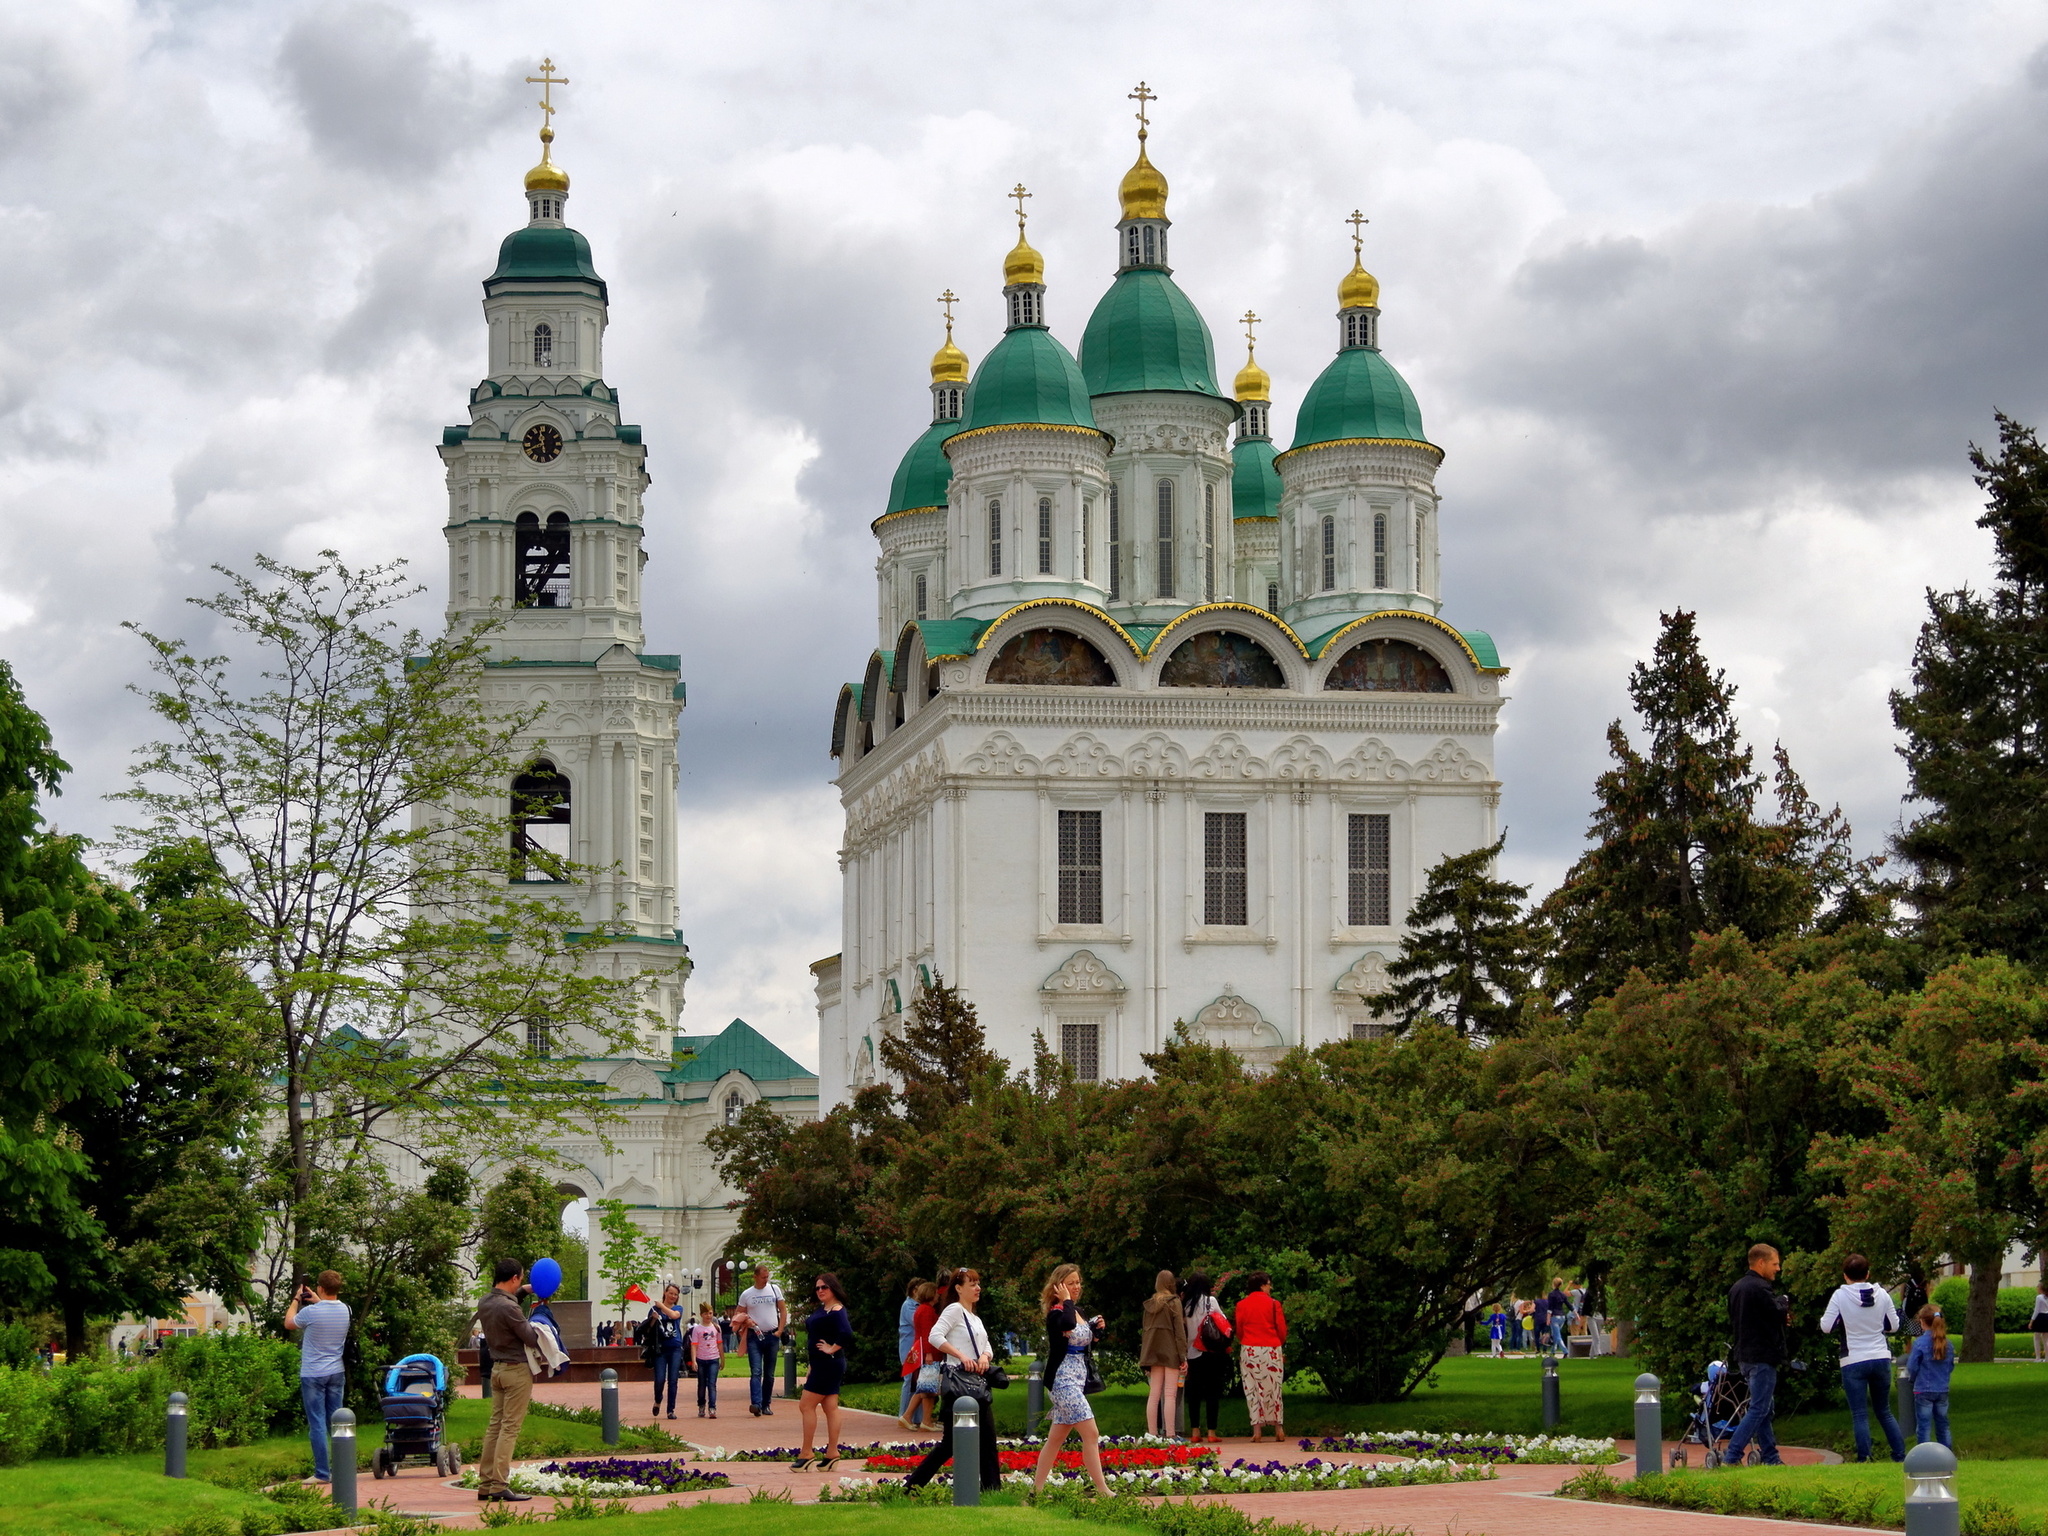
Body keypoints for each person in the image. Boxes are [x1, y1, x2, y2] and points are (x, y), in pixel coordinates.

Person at [904, 1267, 1001, 1494]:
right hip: (959, 1383)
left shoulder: (974, 1317)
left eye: (978, 1283)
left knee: (987, 1439)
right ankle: (911, 1487)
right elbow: (934, 1336)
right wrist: (961, 1355)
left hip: (976, 1382)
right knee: (950, 1443)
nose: (978, 1288)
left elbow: (985, 1344)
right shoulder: (954, 1310)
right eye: (972, 1284)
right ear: (958, 1288)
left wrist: (985, 1357)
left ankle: (992, 1491)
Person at [1030, 1264, 1115, 1498]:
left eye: (1078, 1282)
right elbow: (1067, 1325)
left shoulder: (1077, 1311)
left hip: (1078, 1379)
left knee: (1055, 1439)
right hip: (1062, 1381)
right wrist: (1066, 1301)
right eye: (1071, 1283)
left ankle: (1035, 1491)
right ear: (1058, 1287)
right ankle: (1102, 1489)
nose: (1076, 1287)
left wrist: (1097, 1330)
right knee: (1091, 1433)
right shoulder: (1057, 1313)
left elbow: (1085, 1339)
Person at [1819, 1253, 1905, 1463]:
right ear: (1868, 1273)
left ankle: (1865, 1457)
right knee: (1884, 1411)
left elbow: (1826, 1327)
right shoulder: (1882, 1294)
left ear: (1845, 1276)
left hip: (1853, 1359)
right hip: (1880, 1356)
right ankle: (1900, 1455)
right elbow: (1894, 1326)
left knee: (1859, 1414)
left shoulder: (1840, 1296)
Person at [474, 1260, 541, 1503]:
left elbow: (507, 1305)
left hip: (497, 1370)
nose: (521, 1282)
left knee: (495, 1426)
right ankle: (499, 1485)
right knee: (510, 1428)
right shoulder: (509, 1309)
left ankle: (485, 1483)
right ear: (514, 1278)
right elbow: (531, 1338)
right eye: (520, 1279)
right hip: (516, 1371)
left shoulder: (485, 1301)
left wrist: (525, 1291)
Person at [1724, 1243, 1791, 1467]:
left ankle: (1771, 1457)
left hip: (1744, 1355)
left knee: (1764, 1407)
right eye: (1775, 1263)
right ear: (1761, 1263)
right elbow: (1775, 1311)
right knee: (1759, 1408)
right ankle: (1732, 1455)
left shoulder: (1737, 1288)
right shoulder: (1760, 1288)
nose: (1778, 1268)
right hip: (1762, 1356)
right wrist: (1783, 1301)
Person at [284, 1270, 350, 1485]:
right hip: (336, 1372)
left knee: (318, 1423)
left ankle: (322, 1472)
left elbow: (289, 1323)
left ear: (320, 1288)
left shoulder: (312, 1312)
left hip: (313, 1374)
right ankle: (342, 1468)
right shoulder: (346, 1310)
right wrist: (318, 1299)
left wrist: (296, 1299)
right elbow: (328, 1308)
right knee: (338, 1423)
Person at [791, 1274, 854, 1469]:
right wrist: (812, 1364)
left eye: (824, 1287)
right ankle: (832, 1453)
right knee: (829, 1407)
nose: (820, 1290)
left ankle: (807, 1453)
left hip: (829, 1364)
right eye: (817, 1288)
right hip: (821, 1364)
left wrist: (832, 1348)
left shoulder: (837, 1310)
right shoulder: (824, 1309)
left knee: (806, 1405)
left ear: (833, 1288)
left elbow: (847, 1334)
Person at [1234, 1272, 1289, 1442]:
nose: (1270, 1287)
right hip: (1271, 1348)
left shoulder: (1242, 1304)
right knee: (1274, 1388)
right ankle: (1278, 1428)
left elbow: (1239, 1329)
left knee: (1252, 1389)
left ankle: (1257, 1431)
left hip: (1250, 1349)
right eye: (1268, 1284)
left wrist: (1248, 1341)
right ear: (1262, 1285)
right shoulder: (1274, 1304)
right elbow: (1281, 1329)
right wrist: (1277, 1343)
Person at [1181, 1271, 1232, 1444]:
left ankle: (1195, 1431)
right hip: (1211, 1353)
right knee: (1212, 1393)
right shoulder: (1211, 1302)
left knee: (1194, 1394)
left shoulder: (1185, 1304)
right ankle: (1211, 1432)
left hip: (1192, 1353)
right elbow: (1222, 1321)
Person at [1140, 1269, 1186, 1439]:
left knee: (1154, 1394)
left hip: (1152, 1352)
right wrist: (1183, 1356)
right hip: (1171, 1352)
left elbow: (1145, 1332)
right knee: (1170, 1394)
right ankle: (1171, 1434)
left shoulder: (1149, 1305)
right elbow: (1179, 1332)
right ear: (1171, 1283)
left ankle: (1152, 1434)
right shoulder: (1174, 1303)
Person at [738, 1264, 789, 1418]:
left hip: (772, 1335)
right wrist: (746, 1321)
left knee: (769, 1373)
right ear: (755, 1276)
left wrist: (780, 1330)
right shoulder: (747, 1294)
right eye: (763, 1277)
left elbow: (783, 1309)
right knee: (756, 1371)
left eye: (767, 1277)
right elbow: (738, 1315)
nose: (766, 1280)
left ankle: (766, 1404)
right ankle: (756, 1404)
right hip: (755, 1337)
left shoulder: (774, 1289)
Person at [1906, 1305, 1955, 1447]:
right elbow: (1950, 1366)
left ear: (1922, 1322)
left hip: (1923, 1389)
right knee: (1943, 1425)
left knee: (1924, 1426)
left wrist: (1912, 1379)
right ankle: (1947, 1457)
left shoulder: (1920, 1343)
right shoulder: (1948, 1344)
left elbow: (1912, 1367)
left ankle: (1924, 1458)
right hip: (1942, 1389)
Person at [900, 1280, 941, 1432]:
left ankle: (910, 1417)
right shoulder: (927, 1311)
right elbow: (927, 1333)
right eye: (936, 1293)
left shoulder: (921, 1309)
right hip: (929, 1354)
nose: (938, 1295)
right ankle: (924, 1420)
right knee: (928, 1389)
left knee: (924, 1387)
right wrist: (929, 1353)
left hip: (924, 1352)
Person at [648, 1283, 687, 1420]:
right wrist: (653, 1317)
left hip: (675, 1347)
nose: (673, 1296)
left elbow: (674, 1316)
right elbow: (650, 1328)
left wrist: (661, 1306)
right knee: (659, 1379)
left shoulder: (678, 1308)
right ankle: (658, 1400)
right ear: (665, 1293)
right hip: (660, 1348)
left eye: (675, 1294)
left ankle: (670, 1410)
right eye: (670, 1293)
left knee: (673, 1380)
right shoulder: (654, 1309)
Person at [897, 1277, 927, 1426]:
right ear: (915, 1290)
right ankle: (903, 1415)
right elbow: (918, 1322)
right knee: (910, 1380)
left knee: (919, 1382)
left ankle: (917, 1418)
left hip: (917, 1348)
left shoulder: (918, 1305)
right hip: (910, 1349)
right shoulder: (909, 1305)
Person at [689, 1303, 725, 1419]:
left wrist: (722, 1359)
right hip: (701, 1359)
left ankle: (712, 1407)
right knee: (702, 1384)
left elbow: (720, 1344)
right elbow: (694, 1345)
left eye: (710, 1313)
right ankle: (701, 1405)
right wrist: (693, 1360)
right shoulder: (697, 1329)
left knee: (712, 1384)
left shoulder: (716, 1328)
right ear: (701, 1315)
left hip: (713, 1359)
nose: (708, 1316)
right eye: (705, 1313)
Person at [1546, 1279, 1570, 1354]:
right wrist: (1575, 1313)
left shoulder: (1551, 1294)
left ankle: (1565, 1351)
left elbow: (1550, 1308)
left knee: (1557, 1335)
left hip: (1554, 1316)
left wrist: (1548, 1318)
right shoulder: (1562, 1294)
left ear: (1553, 1284)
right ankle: (1553, 1350)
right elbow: (1569, 1304)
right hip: (1562, 1316)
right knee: (1555, 1333)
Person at [2031, 1282, 2048, 1361]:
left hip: (2040, 1317)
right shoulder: (2047, 1297)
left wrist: (2031, 1321)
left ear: (2040, 1288)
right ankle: (2047, 1358)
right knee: (2046, 1339)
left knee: (2036, 1337)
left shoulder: (2039, 1297)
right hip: (2047, 1316)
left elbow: (2036, 1310)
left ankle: (2038, 1357)